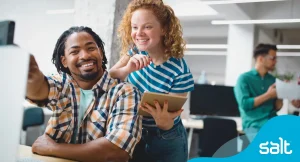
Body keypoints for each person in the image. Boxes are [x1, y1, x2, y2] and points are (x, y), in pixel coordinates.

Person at [26, 26, 142, 162]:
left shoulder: (125, 92)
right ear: (64, 61)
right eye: (75, 51)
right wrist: (31, 75)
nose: (85, 56)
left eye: (91, 48)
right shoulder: (63, 85)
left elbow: (116, 151)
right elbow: (40, 90)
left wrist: (53, 148)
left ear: (101, 52)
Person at [109, 0, 194, 162]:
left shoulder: (179, 71)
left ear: (164, 29)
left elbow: (170, 116)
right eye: (135, 27)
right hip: (135, 133)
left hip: (166, 137)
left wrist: (164, 123)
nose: (139, 33)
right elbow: (108, 79)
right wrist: (127, 69)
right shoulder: (133, 52)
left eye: (147, 27)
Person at [234, 43, 283, 141]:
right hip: (254, 125)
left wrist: (282, 93)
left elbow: (277, 107)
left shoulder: (273, 80)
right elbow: (245, 104)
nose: (275, 61)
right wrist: (268, 95)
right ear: (261, 59)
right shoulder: (244, 79)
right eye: (272, 58)